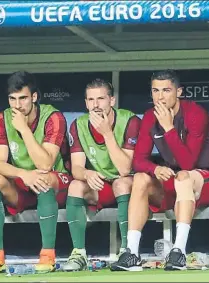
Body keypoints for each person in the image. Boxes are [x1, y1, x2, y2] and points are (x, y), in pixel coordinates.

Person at [112, 70, 209, 271]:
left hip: (207, 180)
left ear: (179, 91)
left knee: (183, 176)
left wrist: (168, 128)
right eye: (155, 91)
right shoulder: (149, 116)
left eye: (166, 90)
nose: (160, 96)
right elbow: (138, 161)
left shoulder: (196, 114)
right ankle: (131, 252)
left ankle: (178, 252)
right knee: (140, 178)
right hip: (175, 182)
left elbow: (188, 164)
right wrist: (155, 169)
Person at [0, 71, 72, 274]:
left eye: (23, 98)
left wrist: (24, 130)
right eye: (12, 99)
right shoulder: (1, 119)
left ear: (34, 97)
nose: (17, 105)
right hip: (23, 183)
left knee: (43, 177)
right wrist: (23, 174)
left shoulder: (53, 117)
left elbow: (46, 163)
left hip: (56, 184)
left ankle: (48, 254)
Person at [61, 79, 141, 272]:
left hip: (129, 188)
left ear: (111, 100)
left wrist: (107, 133)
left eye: (101, 99)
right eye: (91, 100)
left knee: (122, 182)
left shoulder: (130, 121)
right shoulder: (78, 125)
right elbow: (77, 168)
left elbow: (124, 168)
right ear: (86, 103)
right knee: (75, 185)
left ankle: (126, 251)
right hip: (101, 186)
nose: (96, 105)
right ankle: (79, 253)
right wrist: (87, 173)